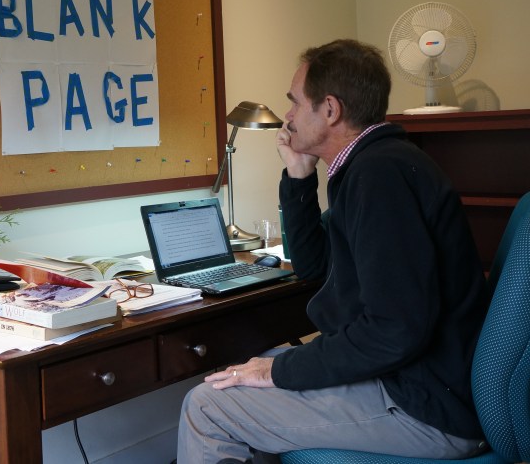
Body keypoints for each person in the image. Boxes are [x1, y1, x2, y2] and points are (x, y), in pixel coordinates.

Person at [176, 39, 489, 464]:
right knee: (241, 373)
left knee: (208, 405)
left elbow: (395, 330)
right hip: (410, 378)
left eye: (295, 102)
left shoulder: (379, 178)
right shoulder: (376, 164)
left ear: (329, 109)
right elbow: (314, 266)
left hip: (424, 406)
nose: (287, 115)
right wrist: (298, 175)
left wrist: (280, 372)